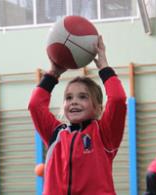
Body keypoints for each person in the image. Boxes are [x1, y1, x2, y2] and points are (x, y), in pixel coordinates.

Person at [28, 36, 127, 194]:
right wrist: (53, 73)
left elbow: (118, 99)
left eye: (83, 97)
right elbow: (35, 105)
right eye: (69, 97)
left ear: (98, 108)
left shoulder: (104, 133)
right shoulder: (56, 134)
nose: (74, 102)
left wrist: (104, 67)